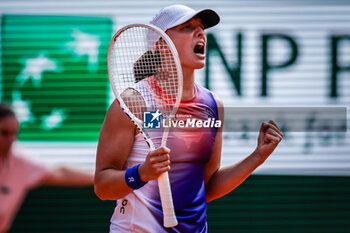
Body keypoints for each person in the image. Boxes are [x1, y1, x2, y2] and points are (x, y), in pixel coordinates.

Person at [94, 4, 284, 233]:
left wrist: (257, 157)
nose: (200, 32)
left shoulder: (213, 106)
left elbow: (208, 186)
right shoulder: (134, 102)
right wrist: (141, 174)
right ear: (162, 45)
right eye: (187, 27)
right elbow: (103, 187)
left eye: (201, 28)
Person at [0, 102, 94, 233]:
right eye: (4, 133)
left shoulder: (19, 162)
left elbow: (60, 173)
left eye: (14, 133)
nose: (11, 140)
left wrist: (103, 175)